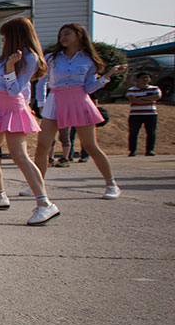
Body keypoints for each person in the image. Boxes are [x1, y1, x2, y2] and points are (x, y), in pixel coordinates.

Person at [0, 16, 59, 225]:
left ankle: (44, 204)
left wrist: (10, 66)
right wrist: (8, 63)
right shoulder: (7, 56)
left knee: (20, 155)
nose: (2, 41)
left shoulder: (29, 58)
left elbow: (15, 89)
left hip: (12, 107)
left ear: (15, 36)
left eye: (5, 37)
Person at [32, 23, 127, 198]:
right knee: (43, 145)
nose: (63, 37)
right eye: (61, 34)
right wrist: (41, 104)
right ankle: (37, 185)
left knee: (90, 145)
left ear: (79, 35)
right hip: (55, 99)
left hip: (79, 100)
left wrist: (108, 76)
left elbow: (89, 88)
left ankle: (111, 183)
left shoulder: (88, 60)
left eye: (67, 34)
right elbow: (41, 81)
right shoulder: (52, 58)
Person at [126, 72, 161, 157]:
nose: (145, 79)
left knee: (151, 132)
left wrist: (141, 99)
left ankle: (149, 150)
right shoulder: (131, 90)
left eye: (147, 78)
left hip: (151, 114)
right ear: (138, 79)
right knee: (133, 132)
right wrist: (148, 99)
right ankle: (132, 150)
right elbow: (133, 100)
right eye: (143, 77)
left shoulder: (154, 88)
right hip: (135, 114)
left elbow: (157, 97)